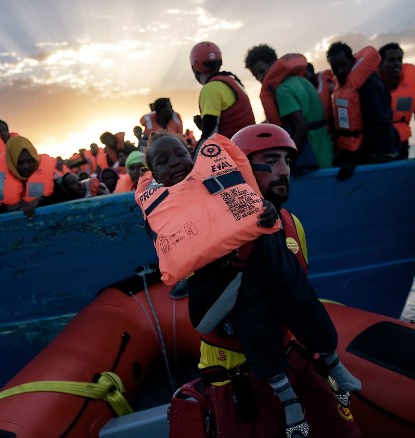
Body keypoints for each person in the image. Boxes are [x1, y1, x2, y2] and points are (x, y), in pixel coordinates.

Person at [142, 131, 361, 438]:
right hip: (237, 378)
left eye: (286, 160)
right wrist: (234, 260)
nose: (284, 169)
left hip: (294, 359)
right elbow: (204, 314)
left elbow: (297, 296)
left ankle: (330, 365)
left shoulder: (290, 224)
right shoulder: (185, 225)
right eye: (270, 161)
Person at [243, 44, 333, 174]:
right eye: (256, 75)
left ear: (274, 63)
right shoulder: (302, 81)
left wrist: (286, 162)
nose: (260, 79)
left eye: (262, 71)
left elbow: (300, 127)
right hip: (326, 152)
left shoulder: (283, 91)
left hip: (313, 160)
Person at [326, 41, 401, 180]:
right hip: (363, 149)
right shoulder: (344, 86)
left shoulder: (370, 83)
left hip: (382, 151)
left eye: (343, 65)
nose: (340, 71)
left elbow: (379, 127)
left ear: (352, 60)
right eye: (335, 68)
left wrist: (353, 161)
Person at [189, 41, 256, 149]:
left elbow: (209, 137)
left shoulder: (211, 88)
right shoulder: (233, 81)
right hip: (250, 146)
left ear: (194, 67)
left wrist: (193, 160)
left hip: (235, 155)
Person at [378, 42, 415, 161]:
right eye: (391, 60)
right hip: (375, 149)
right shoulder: (371, 88)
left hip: (401, 147)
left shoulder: (412, 91)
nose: (396, 63)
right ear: (380, 64)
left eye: (399, 59)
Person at [0, 135, 60, 218]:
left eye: (29, 161)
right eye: (20, 162)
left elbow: (66, 199)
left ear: (35, 160)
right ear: (12, 163)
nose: (26, 166)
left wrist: (41, 200)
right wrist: (8, 207)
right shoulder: (0, 184)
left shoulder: (51, 183)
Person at [304, 63, 336, 133]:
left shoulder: (328, 81)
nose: (304, 79)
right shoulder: (303, 91)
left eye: (305, 75)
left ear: (312, 72)